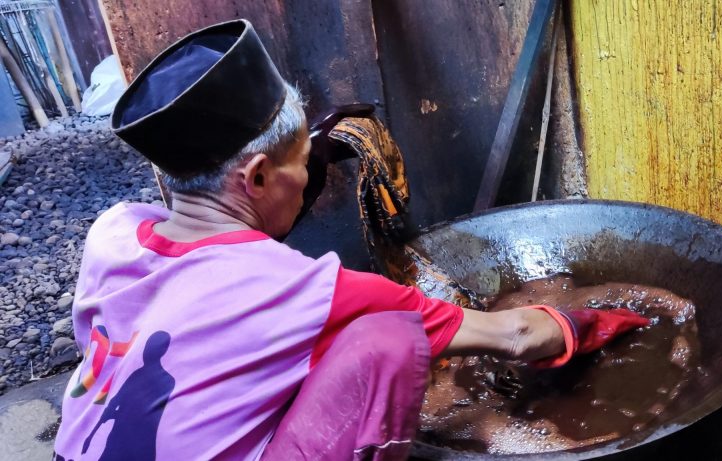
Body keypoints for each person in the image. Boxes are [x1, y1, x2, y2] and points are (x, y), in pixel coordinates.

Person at [52, 19, 648, 460]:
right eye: (305, 163)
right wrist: (599, 322)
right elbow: (517, 334)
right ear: (258, 176)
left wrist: (291, 167)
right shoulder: (302, 291)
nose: (311, 176)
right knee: (386, 339)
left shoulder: (114, 234)